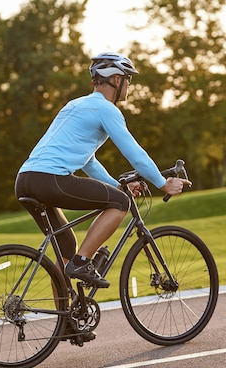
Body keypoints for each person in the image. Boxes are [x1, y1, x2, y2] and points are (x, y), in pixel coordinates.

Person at [15, 52, 191, 289]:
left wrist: (117, 185)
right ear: (117, 80)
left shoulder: (75, 105)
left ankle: (66, 322)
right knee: (120, 203)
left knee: (66, 248)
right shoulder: (106, 110)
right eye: (128, 79)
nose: (129, 85)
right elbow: (135, 153)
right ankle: (83, 262)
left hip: (26, 179)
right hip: (50, 179)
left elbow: (88, 161)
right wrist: (163, 183)